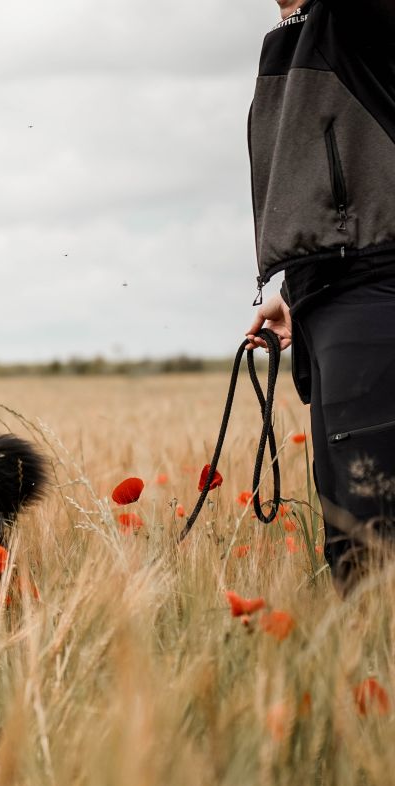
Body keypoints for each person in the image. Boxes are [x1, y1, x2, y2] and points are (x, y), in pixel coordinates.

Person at [245, 0, 395, 593]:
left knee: (375, 534)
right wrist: (295, 289)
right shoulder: (294, 36)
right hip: (328, 301)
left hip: (375, 295)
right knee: (351, 543)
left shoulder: (355, 19)